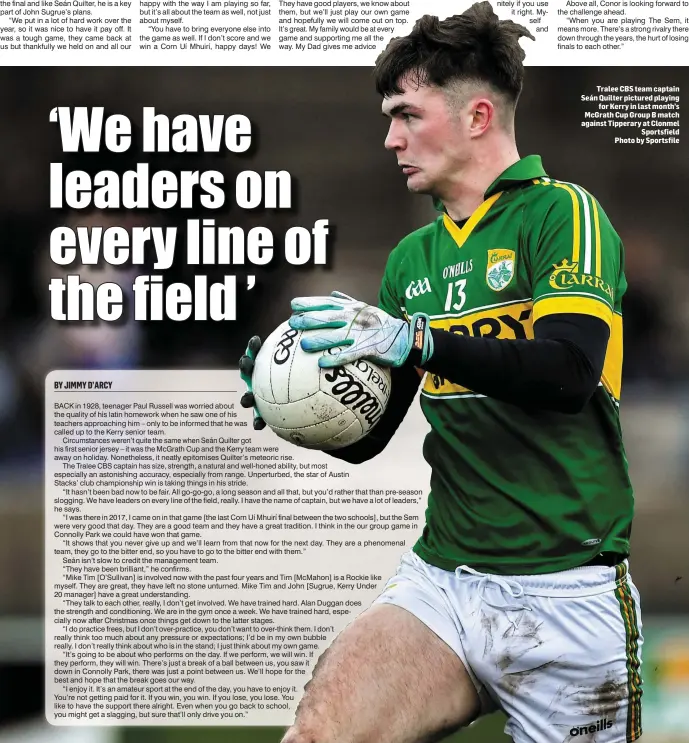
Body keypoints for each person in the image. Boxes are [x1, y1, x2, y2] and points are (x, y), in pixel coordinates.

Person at [240, 3, 643, 741]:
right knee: (318, 733)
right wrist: (300, 404)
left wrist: (418, 340)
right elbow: (372, 434)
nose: (390, 137)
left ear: (477, 116)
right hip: (444, 581)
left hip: (566, 592)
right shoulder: (409, 261)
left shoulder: (561, 216)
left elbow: (567, 374)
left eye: (406, 114)